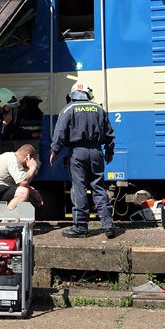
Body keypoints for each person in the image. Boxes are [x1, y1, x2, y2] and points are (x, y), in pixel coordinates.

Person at [50, 80, 116, 239]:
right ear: (88, 94)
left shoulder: (68, 109)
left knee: (79, 188)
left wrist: (55, 150)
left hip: (77, 153)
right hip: (96, 152)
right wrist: (109, 151)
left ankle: (80, 227)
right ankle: (108, 225)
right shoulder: (99, 108)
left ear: (73, 95)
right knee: (99, 187)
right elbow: (109, 133)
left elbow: (60, 132)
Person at [0, 143, 43, 211]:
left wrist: (34, 191)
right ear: (28, 157)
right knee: (23, 192)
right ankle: (7, 220)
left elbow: (18, 183)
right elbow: (23, 182)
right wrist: (32, 167)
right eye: (32, 159)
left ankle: (10, 217)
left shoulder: (13, 159)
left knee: (28, 194)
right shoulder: (11, 159)